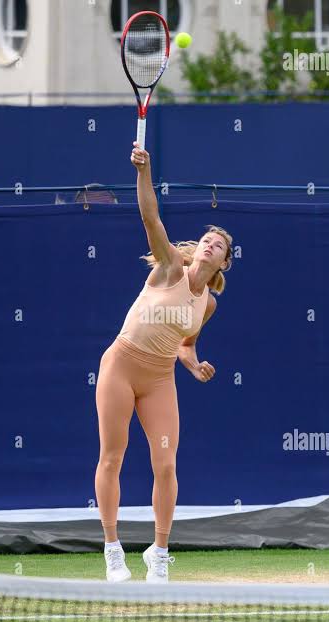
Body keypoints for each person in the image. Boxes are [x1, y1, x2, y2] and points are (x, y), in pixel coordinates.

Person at [95, 141, 233, 583]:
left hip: (159, 379)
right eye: (207, 240)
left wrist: (193, 365)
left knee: (167, 464)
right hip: (120, 365)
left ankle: (158, 552)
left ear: (224, 263)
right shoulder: (172, 265)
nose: (209, 246)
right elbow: (151, 218)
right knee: (112, 457)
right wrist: (143, 171)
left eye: (218, 246)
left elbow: (185, 343)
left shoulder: (207, 305)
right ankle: (113, 550)